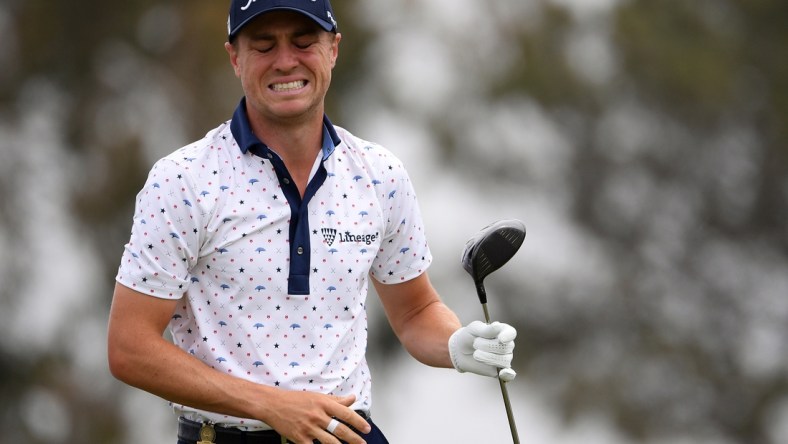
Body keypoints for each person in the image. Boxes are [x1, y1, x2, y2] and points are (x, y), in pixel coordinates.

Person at [107, 1, 517, 443]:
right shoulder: (184, 180)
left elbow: (415, 311)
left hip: (350, 434)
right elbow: (129, 347)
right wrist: (269, 404)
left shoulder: (380, 175)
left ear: (333, 49)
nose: (286, 61)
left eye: (304, 42)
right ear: (234, 58)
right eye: (264, 46)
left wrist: (456, 344)